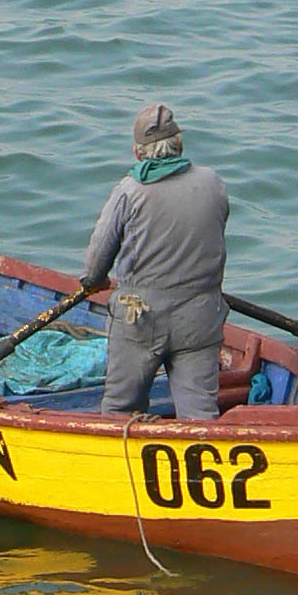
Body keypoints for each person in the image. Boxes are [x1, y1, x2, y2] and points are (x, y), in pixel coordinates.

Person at [83, 102, 230, 420]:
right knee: (200, 414)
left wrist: (94, 281)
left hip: (141, 318)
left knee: (120, 409)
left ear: (138, 153)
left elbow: (97, 259)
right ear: (180, 145)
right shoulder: (214, 183)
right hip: (201, 317)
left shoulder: (129, 191)